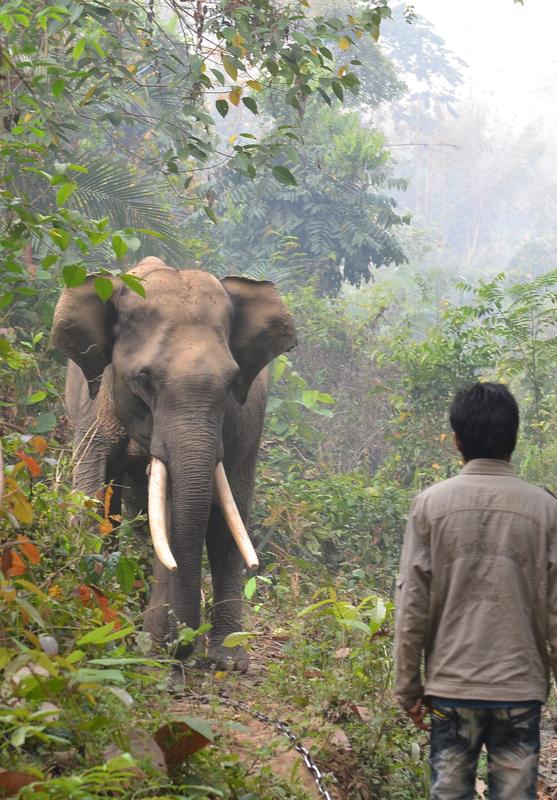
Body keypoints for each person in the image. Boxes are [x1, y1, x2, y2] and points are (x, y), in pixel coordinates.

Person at [394, 381, 557, 800]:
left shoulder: (430, 505)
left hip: (451, 688)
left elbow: (412, 601)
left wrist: (408, 687)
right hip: (518, 691)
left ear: (457, 439)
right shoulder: (545, 509)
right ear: (514, 439)